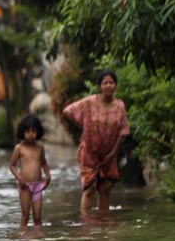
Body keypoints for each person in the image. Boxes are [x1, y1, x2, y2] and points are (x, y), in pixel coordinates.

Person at [63, 69, 130, 212]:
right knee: (89, 188)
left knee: (105, 189)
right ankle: (86, 226)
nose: (108, 86)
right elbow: (68, 111)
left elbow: (123, 131)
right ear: (100, 86)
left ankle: (103, 226)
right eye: (105, 83)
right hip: (89, 152)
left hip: (109, 154)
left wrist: (113, 153)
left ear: (115, 85)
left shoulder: (120, 106)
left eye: (111, 83)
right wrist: (84, 127)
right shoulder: (89, 102)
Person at [9, 114, 52, 227]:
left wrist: (48, 176)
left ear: (38, 132)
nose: (30, 134)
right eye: (28, 131)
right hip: (25, 186)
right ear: (23, 132)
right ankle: (23, 240)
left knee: (37, 217)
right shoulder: (19, 148)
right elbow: (12, 166)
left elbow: (44, 163)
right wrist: (19, 178)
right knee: (26, 215)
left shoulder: (40, 148)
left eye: (33, 131)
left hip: (38, 185)